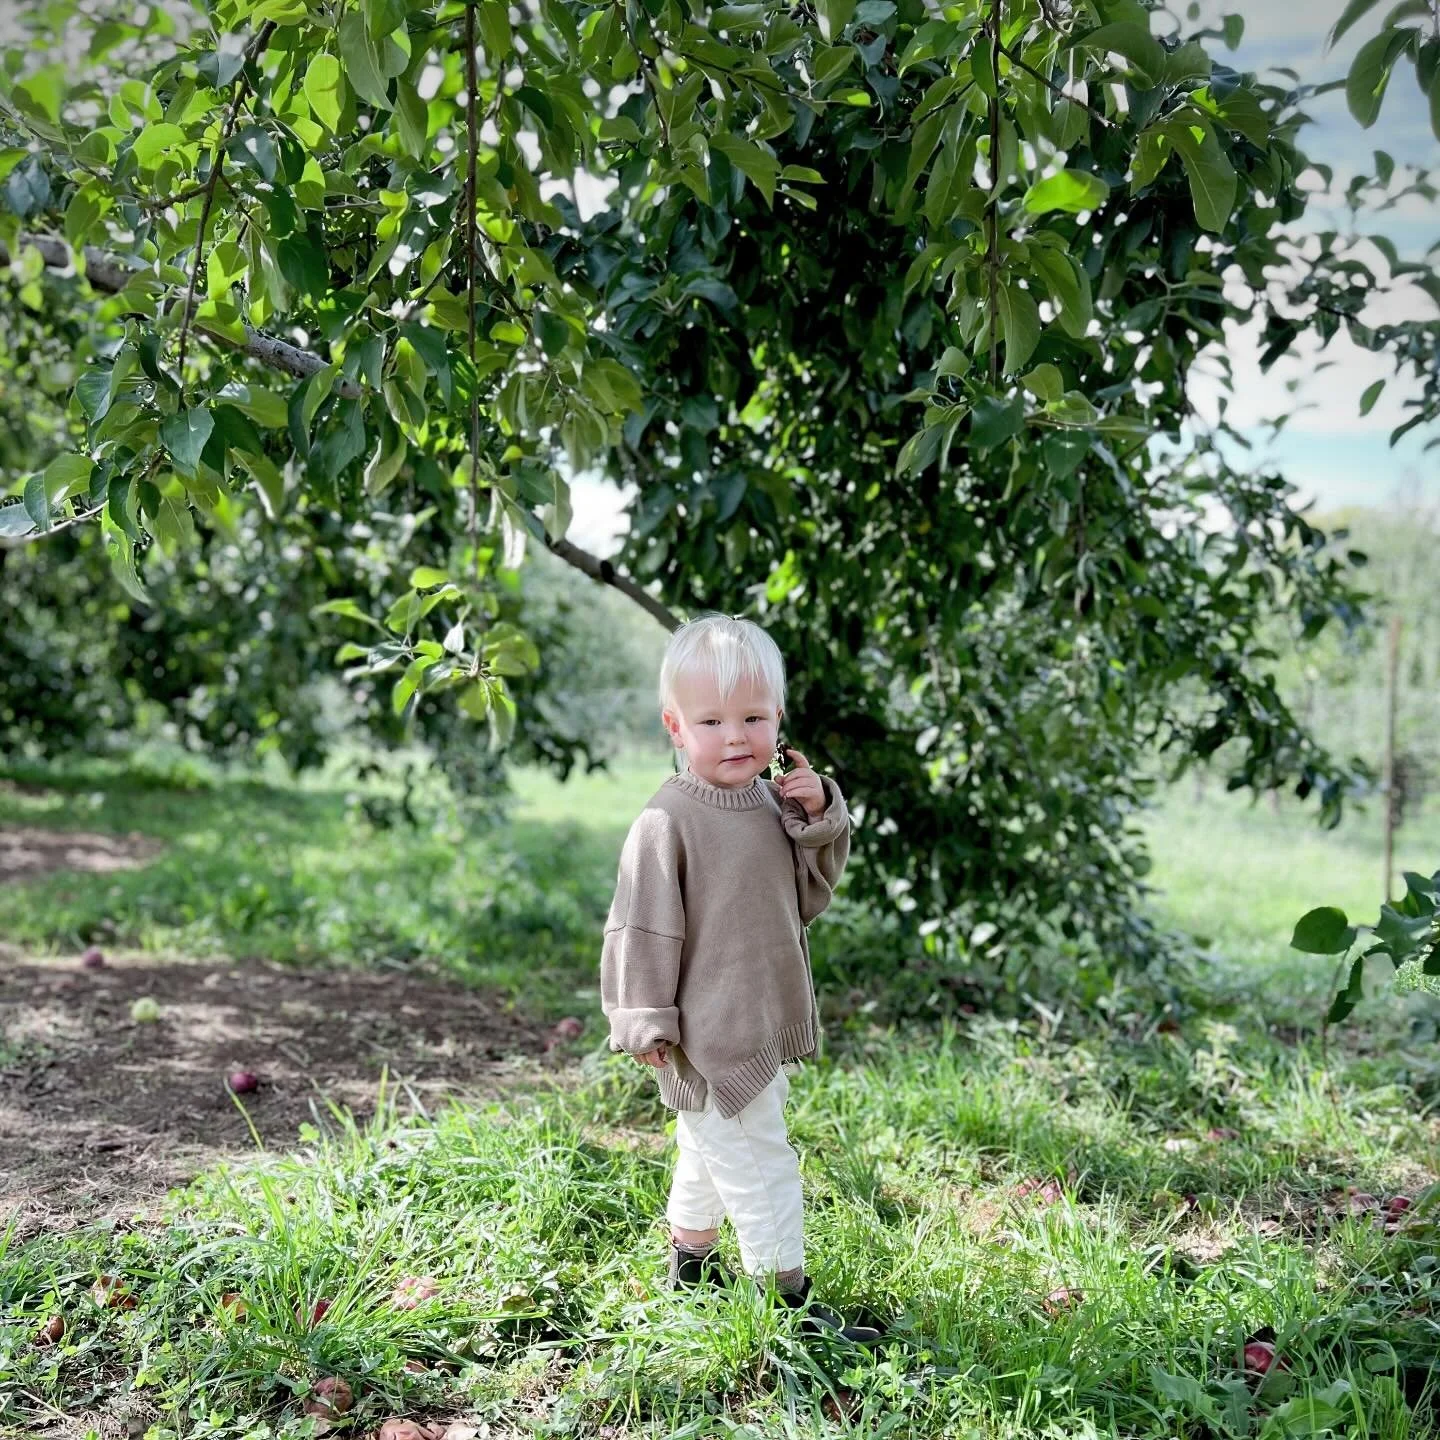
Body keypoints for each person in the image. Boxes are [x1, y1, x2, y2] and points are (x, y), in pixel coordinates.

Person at [600, 613, 878, 1340]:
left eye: (753, 718)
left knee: (708, 1143)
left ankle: (689, 1264)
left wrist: (817, 819)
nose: (735, 737)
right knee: (760, 1161)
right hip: (709, 1030)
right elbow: (640, 922)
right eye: (713, 720)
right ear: (675, 725)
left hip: (756, 1012)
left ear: (778, 721)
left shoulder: (767, 802)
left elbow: (807, 894)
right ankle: (785, 1308)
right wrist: (643, 1015)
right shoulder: (669, 820)